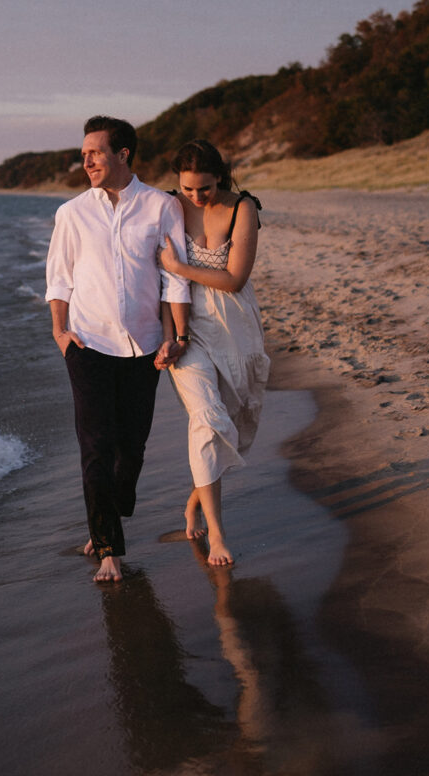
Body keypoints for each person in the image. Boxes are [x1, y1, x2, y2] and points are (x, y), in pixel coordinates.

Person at [45, 116, 191, 583]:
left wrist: (174, 335)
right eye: (83, 152)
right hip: (87, 345)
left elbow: (174, 277)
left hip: (145, 347)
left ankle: (110, 511)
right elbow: (59, 277)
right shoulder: (71, 213)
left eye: (95, 152)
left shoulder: (160, 206)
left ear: (123, 154)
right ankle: (108, 547)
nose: (85, 160)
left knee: (132, 448)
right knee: (95, 447)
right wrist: (59, 332)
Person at [155, 139, 270, 566]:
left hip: (234, 323)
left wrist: (182, 267)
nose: (196, 197)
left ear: (219, 177)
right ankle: (218, 534)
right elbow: (164, 283)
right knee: (207, 419)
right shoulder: (170, 206)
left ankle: (194, 499)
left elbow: (235, 279)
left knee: (232, 420)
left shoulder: (243, 208)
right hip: (187, 327)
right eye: (188, 189)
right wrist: (169, 334)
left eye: (204, 188)